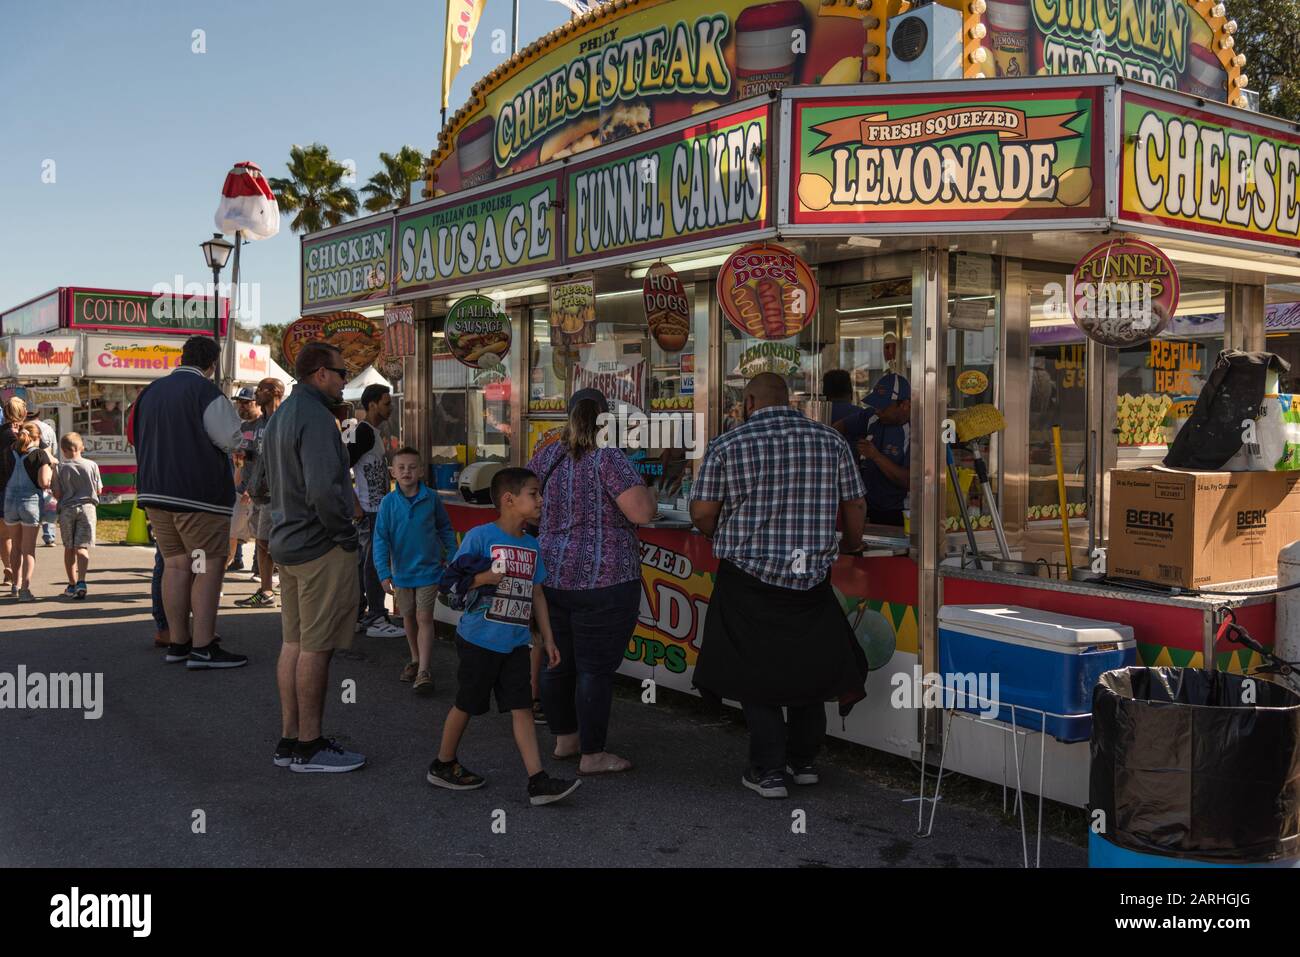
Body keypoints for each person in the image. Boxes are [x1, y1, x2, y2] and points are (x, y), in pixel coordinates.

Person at [690, 373, 869, 799]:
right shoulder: (830, 441)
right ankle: (803, 762)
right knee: (807, 667)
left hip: (749, 577)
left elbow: (700, 514)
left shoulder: (728, 444)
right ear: (787, 399)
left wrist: (720, 531)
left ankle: (768, 771)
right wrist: (855, 545)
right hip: (810, 581)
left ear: (750, 401)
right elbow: (856, 503)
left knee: (758, 673)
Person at [427, 467, 580, 805]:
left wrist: (548, 639)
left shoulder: (532, 544)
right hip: (479, 640)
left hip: (515, 644)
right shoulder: (480, 537)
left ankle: (537, 780)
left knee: (522, 707)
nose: (541, 499)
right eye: (534, 493)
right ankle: (443, 763)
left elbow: (538, 594)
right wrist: (483, 578)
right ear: (510, 500)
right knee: (467, 704)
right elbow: (449, 585)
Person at [525, 389, 656, 775]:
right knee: (594, 670)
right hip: (606, 579)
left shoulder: (546, 456)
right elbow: (642, 513)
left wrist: (557, 527)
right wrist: (648, 491)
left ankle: (566, 739)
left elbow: (528, 510)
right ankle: (593, 754)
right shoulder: (609, 457)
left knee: (557, 661)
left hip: (552, 576)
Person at [263, 342, 365, 773]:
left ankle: (292, 739)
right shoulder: (317, 418)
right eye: (342, 373)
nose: (345, 381)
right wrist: (345, 535)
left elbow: (266, 481)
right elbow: (324, 489)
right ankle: (310, 744)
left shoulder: (282, 414)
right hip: (319, 544)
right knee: (316, 649)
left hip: (287, 540)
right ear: (321, 373)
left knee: (295, 644)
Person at [131, 335, 247, 669]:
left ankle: (178, 641)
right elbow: (230, 439)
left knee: (177, 565)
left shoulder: (151, 391)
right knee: (207, 567)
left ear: (182, 357)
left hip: (155, 491)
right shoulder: (205, 392)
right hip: (198, 495)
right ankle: (203, 646)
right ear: (212, 364)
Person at [372, 447, 457, 694]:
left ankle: (424, 671)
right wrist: (383, 572)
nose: (407, 471)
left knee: (424, 618)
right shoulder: (387, 503)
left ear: (421, 471)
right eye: (401, 468)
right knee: (408, 617)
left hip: (430, 570)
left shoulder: (431, 498)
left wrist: (452, 556)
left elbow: (445, 528)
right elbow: (380, 540)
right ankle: (415, 658)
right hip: (401, 573)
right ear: (393, 473)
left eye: (412, 467)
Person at [347, 383, 404, 639]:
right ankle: (375, 616)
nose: (390, 407)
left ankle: (361, 614)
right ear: (371, 404)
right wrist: (356, 503)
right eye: (386, 402)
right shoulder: (364, 432)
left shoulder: (370, 432)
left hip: (374, 509)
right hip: (369, 511)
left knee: (367, 562)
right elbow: (341, 467)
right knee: (373, 564)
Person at [833, 372, 912, 528]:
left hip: (899, 514)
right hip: (865, 507)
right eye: (876, 406)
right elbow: (837, 429)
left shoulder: (919, 432)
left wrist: (875, 456)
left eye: (883, 407)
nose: (877, 411)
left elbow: (910, 481)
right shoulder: (871, 417)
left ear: (904, 405)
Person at [235, 377, 285, 608]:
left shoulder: (285, 418)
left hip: (281, 493)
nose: (256, 394)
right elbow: (250, 456)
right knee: (262, 543)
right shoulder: (258, 423)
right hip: (260, 492)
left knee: (280, 544)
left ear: (275, 391)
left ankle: (287, 589)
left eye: (261, 389)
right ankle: (266, 591)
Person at [4, 423, 55, 601]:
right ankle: (25, 589)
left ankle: (15, 586)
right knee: (28, 549)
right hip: (30, 503)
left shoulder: (8, 452)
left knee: (15, 546)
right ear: (38, 438)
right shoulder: (40, 455)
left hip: (9, 501)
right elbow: (44, 482)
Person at [51, 432, 102, 599]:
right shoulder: (92, 465)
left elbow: (57, 493)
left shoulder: (60, 468)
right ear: (82, 447)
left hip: (67, 509)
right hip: (88, 509)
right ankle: (82, 581)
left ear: (64, 450)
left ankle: (71, 584)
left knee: (69, 548)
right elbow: (99, 490)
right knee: (82, 547)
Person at [227, 387, 261, 572]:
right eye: (239, 402)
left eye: (245, 402)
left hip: (261, 491)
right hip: (242, 491)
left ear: (256, 402)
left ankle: (263, 573)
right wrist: (237, 485)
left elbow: (265, 462)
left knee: (262, 537)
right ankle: (218, 579)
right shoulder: (243, 427)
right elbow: (239, 461)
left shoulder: (265, 425)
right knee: (231, 533)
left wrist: (252, 487)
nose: (241, 406)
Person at [0, 396, 26, 589]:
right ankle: (16, 575)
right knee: (16, 535)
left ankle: (8, 568)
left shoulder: (2, 431)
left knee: (3, 535)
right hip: (14, 488)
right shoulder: (17, 436)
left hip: (1, 487)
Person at [27, 407, 58, 547]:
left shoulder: (24, 427)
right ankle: (49, 535)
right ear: (39, 414)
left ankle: (29, 531)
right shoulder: (48, 428)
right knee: (48, 502)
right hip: (47, 465)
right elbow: (54, 449)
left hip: (29, 467)